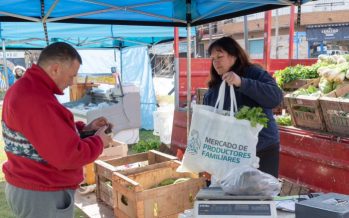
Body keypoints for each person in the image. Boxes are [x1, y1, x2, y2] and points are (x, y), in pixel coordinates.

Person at [2, 42, 113, 218]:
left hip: (32, 187)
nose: (71, 83)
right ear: (55, 69)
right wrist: (99, 141)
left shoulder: (28, 89)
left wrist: (87, 130)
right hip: (41, 193)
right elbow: (67, 156)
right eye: (71, 76)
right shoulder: (36, 99)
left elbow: (47, 134)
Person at [203, 37, 283, 178]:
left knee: (261, 195)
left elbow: (275, 97)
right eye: (213, 58)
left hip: (262, 148)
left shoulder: (254, 72)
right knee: (236, 196)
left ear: (234, 55)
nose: (216, 62)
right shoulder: (216, 86)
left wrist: (241, 82)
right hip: (232, 152)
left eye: (220, 56)